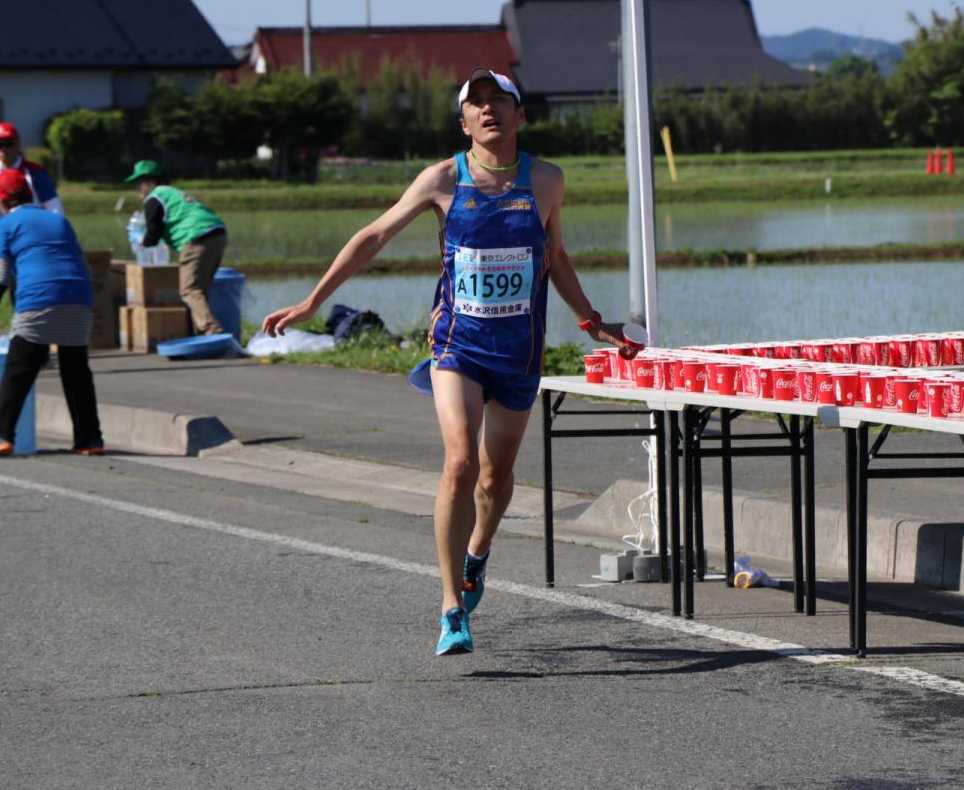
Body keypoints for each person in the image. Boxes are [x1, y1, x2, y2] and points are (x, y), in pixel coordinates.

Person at [261, 67, 636, 656]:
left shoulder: (546, 180)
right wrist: (313, 300)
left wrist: (592, 323)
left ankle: (478, 553)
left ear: (519, 115)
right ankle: (450, 607)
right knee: (460, 462)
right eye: (476, 104)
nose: (489, 111)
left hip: (520, 350)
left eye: (499, 101)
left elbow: (556, 257)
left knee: (496, 477)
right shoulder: (441, 178)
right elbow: (375, 235)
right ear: (463, 121)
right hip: (457, 346)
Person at [0, 169, 103, 456]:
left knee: (19, 370)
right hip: (78, 298)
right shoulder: (59, 220)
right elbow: (86, 268)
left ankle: (3, 435)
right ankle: (90, 440)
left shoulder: (6, 224)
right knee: (76, 372)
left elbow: (1, 275)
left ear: (2, 199)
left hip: (38, 299)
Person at [124, 160, 228, 335]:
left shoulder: (154, 198)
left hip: (196, 237)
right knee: (199, 289)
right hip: (217, 234)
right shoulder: (172, 193)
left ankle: (214, 332)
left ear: (150, 182)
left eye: (139, 183)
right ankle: (202, 334)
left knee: (189, 290)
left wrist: (138, 237)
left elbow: (152, 238)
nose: (138, 189)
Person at [0, 122, 63, 215]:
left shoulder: (36, 173)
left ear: (17, 144)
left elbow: (55, 211)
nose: (3, 149)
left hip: (30, 227)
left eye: (8, 143)